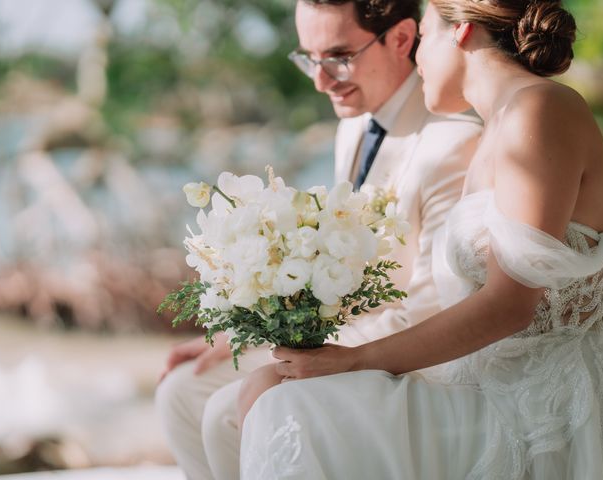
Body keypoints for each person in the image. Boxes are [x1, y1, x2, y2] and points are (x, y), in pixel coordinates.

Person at [239, 0, 603, 479]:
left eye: (422, 36)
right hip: (480, 379)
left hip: (537, 401)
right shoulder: (497, 127)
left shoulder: (541, 109)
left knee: (289, 409)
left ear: (460, 31)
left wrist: (355, 359)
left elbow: (510, 305)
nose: (415, 58)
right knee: (269, 389)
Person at [156, 0, 482, 478]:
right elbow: (337, 277)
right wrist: (245, 337)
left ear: (401, 38)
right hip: (340, 339)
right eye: (308, 58)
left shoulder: (450, 143)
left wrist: (303, 355)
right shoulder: (353, 126)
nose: (320, 80)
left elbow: (430, 311)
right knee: (181, 391)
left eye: (337, 57)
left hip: (410, 359)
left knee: (225, 411)